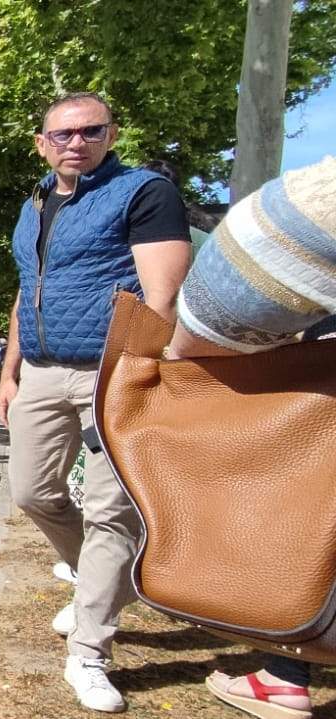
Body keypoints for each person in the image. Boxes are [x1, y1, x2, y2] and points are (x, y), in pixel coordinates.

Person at [0, 91, 193, 713]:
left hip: (112, 369)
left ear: (112, 134)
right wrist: (9, 370)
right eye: (62, 134)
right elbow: (28, 289)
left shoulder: (143, 193)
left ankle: (89, 651)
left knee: (111, 511)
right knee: (31, 491)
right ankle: (98, 584)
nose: (75, 143)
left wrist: (138, 375)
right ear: (42, 144)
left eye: (90, 131)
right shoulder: (33, 205)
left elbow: (163, 296)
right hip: (42, 372)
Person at [170, 158, 336, 719]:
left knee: (305, 508)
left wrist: (184, 356)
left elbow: (224, 303)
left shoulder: (321, 197)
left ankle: (286, 675)